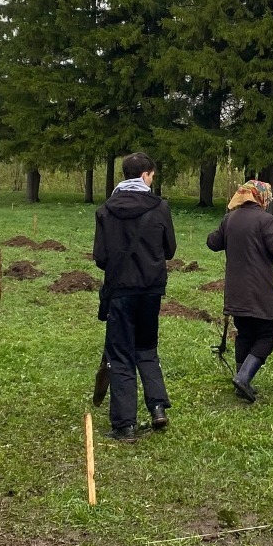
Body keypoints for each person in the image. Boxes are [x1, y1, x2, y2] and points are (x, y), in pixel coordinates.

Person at [93, 152, 176, 441]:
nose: (153, 180)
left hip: (120, 292)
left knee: (121, 355)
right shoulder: (161, 207)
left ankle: (125, 425)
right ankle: (157, 408)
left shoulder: (105, 210)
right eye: (152, 175)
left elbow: (100, 257)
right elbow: (170, 250)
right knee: (146, 348)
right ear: (145, 176)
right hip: (151, 290)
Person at [205, 180, 273, 402]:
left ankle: (241, 380)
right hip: (260, 289)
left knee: (244, 332)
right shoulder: (266, 220)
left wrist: (227, 226)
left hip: (236, 290)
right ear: (261, 197)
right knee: (267, 333)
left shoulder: (230, 218)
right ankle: (243, 377)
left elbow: (212, 242)